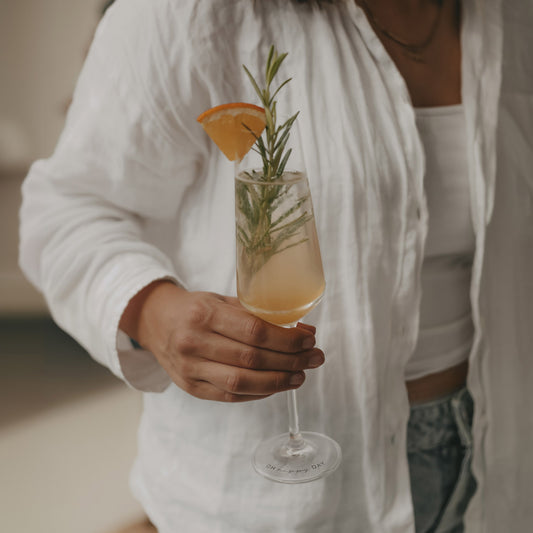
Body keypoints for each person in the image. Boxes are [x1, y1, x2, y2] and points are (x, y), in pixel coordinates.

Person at [19, 0, 533, 532]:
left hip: (496, 460)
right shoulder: (189, 14)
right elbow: (66, 212)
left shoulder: (515, 19)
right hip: (280, 496)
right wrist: (154, 313)